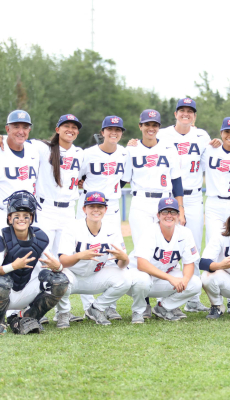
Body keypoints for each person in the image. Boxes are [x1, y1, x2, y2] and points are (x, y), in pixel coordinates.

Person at [154, 98, 213, 313]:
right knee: (162, 246)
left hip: (194, 196)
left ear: (195, 116)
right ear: (175, 114)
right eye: (182, 110)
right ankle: (159, 295)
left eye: (190, 111)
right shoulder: (163, 134)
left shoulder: (202, 135)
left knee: (193, 246)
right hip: (168, 196)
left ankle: (193, 298)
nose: (185, 114)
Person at [77, 115, 130, 321]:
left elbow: (123, 179)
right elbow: (78, 177)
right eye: (110, 129)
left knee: (113, 252)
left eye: (118, 130)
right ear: (102, 132)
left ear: (121, 133)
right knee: (84, 251)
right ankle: (88, 304)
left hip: (112, 206)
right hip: (89, 206)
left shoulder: (125, 153)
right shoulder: (87, 154)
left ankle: (108, 305)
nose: (114, 132)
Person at [56, 191, 130, 328]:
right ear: (84, 209)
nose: (96, 210)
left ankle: (96, 309)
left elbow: (121, 265)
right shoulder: (72, 227)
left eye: (100, 206)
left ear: (105, 210)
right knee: (57, 279)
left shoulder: (112, 230)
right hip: (72, 276)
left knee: (126, 278)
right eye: (91, 206)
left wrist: (124, 258)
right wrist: (79, 256)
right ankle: (63, 313)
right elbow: (62, 262)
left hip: (95, 276)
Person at [0, 191, 68, 334]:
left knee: (60, 281)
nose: (21, 219)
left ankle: (28, 317)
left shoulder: (40, 237)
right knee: (2, 283)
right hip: (5, 291)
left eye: (26, 216)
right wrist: (13, 266)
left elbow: (54, 264)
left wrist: (58, 267)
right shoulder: (2, 236)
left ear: (31, 218)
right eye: (16, 216)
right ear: (9, 218)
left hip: (26, 290)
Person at [127, 198, 202, 322]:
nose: (169, 215)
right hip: (136, 278)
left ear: (178, 215)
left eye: (172, 212)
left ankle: (163, 307)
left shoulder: (185, 233)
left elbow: (189, 263)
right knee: (143, 280)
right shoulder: (150, 231)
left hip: (161, 277)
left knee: (195, 283)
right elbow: (142, 264)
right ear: (158, 215)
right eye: (165, 212)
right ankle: (138, 311)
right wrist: (170, 278)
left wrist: (185, 280)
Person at [122, 109, 185, 249]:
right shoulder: (131, 149)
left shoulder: (169, 148)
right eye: (147, 124)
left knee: (164, 246)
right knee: (142, 246)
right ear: (140, 126)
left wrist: (180, 209)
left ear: (159, 127)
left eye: (155, 125)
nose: (151, 128)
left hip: (164, 201)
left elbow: (176, 181)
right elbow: (122, 180)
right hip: (140, 202)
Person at [0, 110, 39, 229]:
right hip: (4, 214)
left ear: (29, 130)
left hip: (29, 215)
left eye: (25, 127)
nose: (21, 131)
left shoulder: (35, 149)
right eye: (16, 127)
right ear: (7, 129)